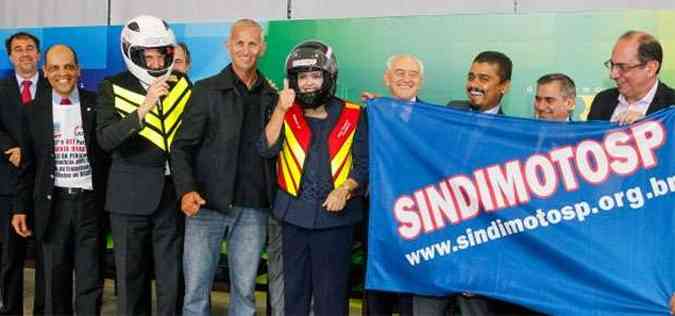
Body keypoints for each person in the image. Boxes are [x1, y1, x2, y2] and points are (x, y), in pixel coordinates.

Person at [170, 18, 278, 316]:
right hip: (206, 207)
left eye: (252, 43)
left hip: (254, 210)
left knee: (244, 294)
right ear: (228, 45)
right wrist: (186, 191)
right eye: (240, 43)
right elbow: (181, 147)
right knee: (195, 294)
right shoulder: (205, 91)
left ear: (262, 47)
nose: (246, 50)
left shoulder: (273, 97)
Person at [258, 40, 368, 315]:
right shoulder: (283, 111)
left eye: (315, 76)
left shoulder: (354, 114)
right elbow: (265, 148)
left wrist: (345, 189)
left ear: (329, 78)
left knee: (331, 297)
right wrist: (281, 110)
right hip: (293, 218)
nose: (308, 83)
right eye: (302, 77)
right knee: (294, 293)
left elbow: (364, 165)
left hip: (337, 220)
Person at [96, 15, 190, 315]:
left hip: (172, 197)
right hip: (128, 199)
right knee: (130, 277)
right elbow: (106, 140)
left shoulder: (182, 85)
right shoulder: (111, 86)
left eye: (160, 55)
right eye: (146, 56)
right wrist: (144, 108)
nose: (154, 62)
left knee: (171, 278)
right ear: (132, 54)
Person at [12, 44, 107, 315]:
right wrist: (20, 207)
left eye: (68, 67)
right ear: (45, 72)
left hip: (90, 205)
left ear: (78, 70)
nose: (62, 73)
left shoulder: (98, 103)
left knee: (91, 278)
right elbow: (28, 166)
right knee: (54, 281)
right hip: (52, 206)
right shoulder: (33, 110)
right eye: (54, 68)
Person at [361, 54, 423, 316]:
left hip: (417, 220)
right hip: (376, 218)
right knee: (376, 297)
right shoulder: (369, 113)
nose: (406, 79)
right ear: (387, 79)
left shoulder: (435, 118)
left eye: (412, 74)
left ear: (420, 81)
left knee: (411, 297)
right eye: (399, 73)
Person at [0, 31, 48, 315]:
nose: (25, 53)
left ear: (38, 54)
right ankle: (10, 310)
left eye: (30, 48)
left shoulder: (54, 87)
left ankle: (45, 309)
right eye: (18, 49)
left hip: (45, 183)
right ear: (10, 56)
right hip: (8, 181)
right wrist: (11, 149)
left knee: (47, 256)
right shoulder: (1, 89)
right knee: (11, 256)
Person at [588, 30, 675, 124]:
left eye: (622, 67)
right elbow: (589, 137)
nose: (613, 75)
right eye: (612, 65)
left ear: (651, 68)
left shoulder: (672, 105)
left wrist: (648, 126)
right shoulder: (602, 100)